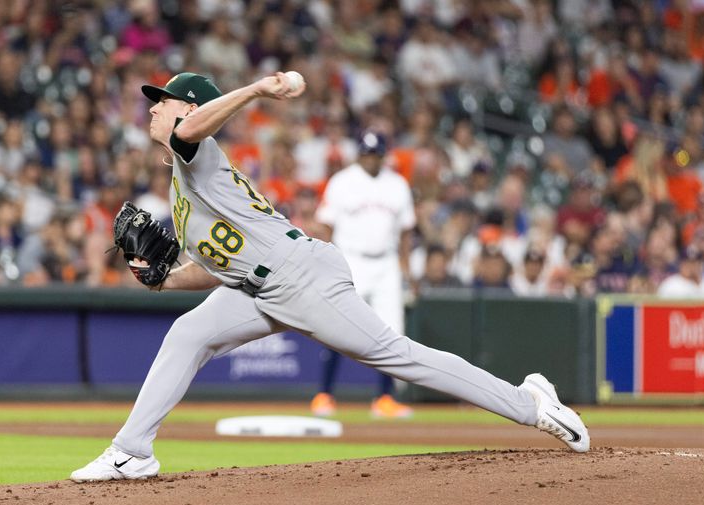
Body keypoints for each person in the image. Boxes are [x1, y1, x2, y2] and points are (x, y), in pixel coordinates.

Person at [70, 71, 590, 483]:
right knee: (187, 334)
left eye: (164, 99)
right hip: (258, 285)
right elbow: (212, 271)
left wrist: (254, 90)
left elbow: (190, 130)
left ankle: (531, 405)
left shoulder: (197, 149)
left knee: (396, 356)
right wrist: (161, 281)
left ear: (190, 108)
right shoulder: (183, 189)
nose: (153, 106)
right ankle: (131, 453)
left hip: (300, 276)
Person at [309, 131, 416, 419]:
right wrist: (324, 266)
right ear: (359, 154)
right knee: (336, 325)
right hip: (350, 260)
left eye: (375, 154)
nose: (371, 158)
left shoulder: (397, 185)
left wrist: (407, 271)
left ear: (383, 155)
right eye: (366, 153)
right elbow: (325, 227)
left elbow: (406, 232)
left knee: (391, 331)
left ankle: (384, 398)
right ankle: (324, 395)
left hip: (386, 263)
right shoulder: (342, 182)